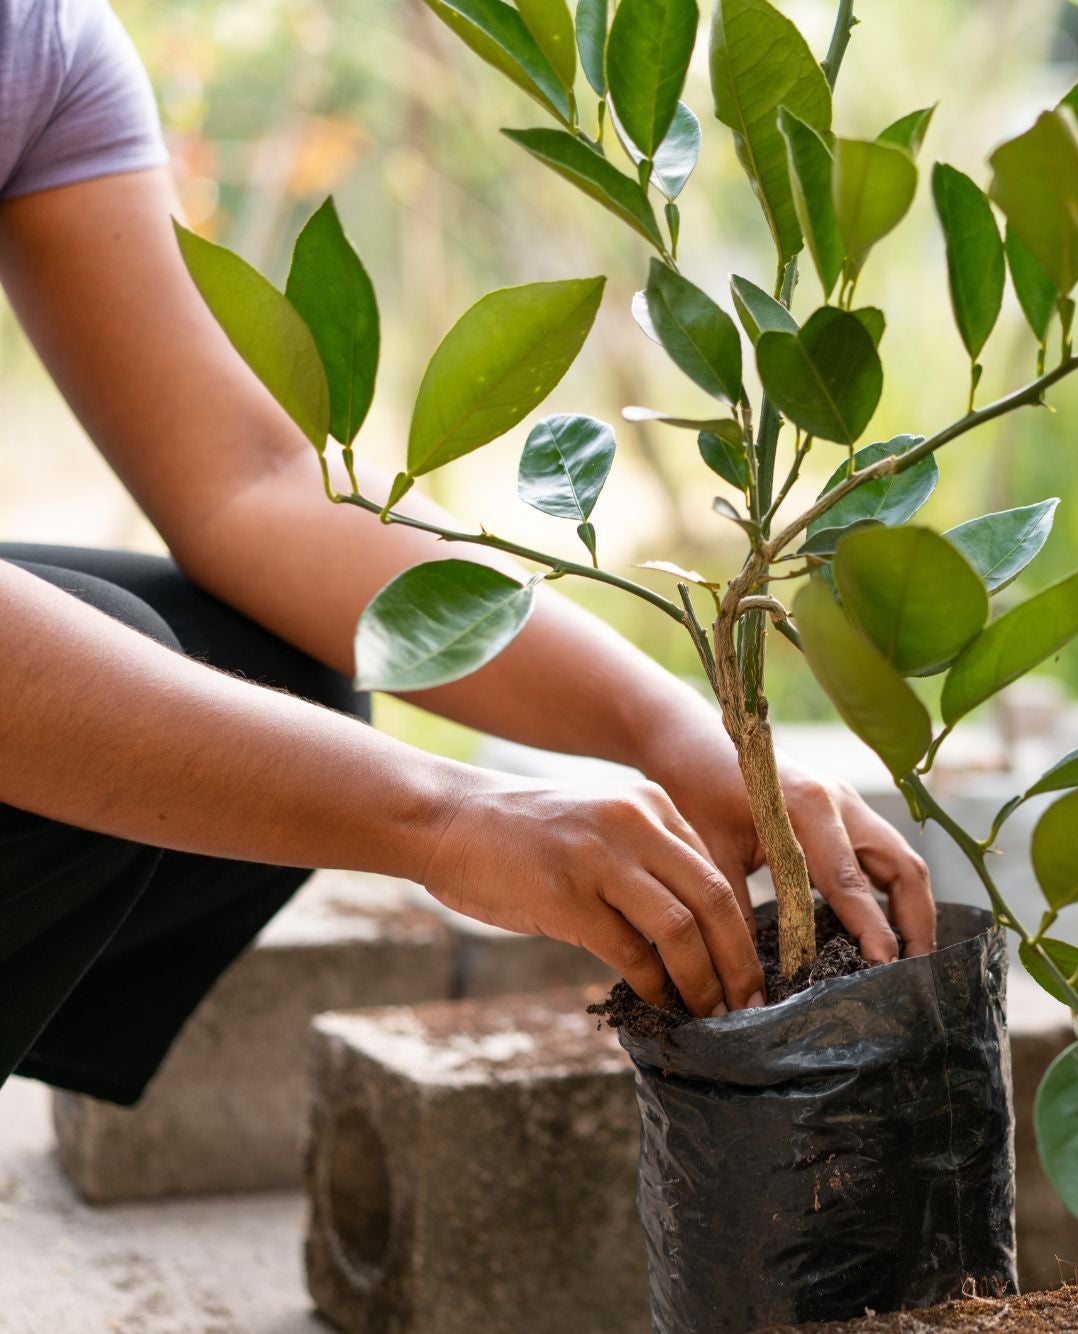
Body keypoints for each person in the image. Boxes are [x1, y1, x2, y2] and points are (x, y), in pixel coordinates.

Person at [0, 0, 934, 1106]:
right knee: (172, 677)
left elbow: (251, 490)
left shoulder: (42, 44)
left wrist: (669, 728)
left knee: (275, 679)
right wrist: (449, 819)